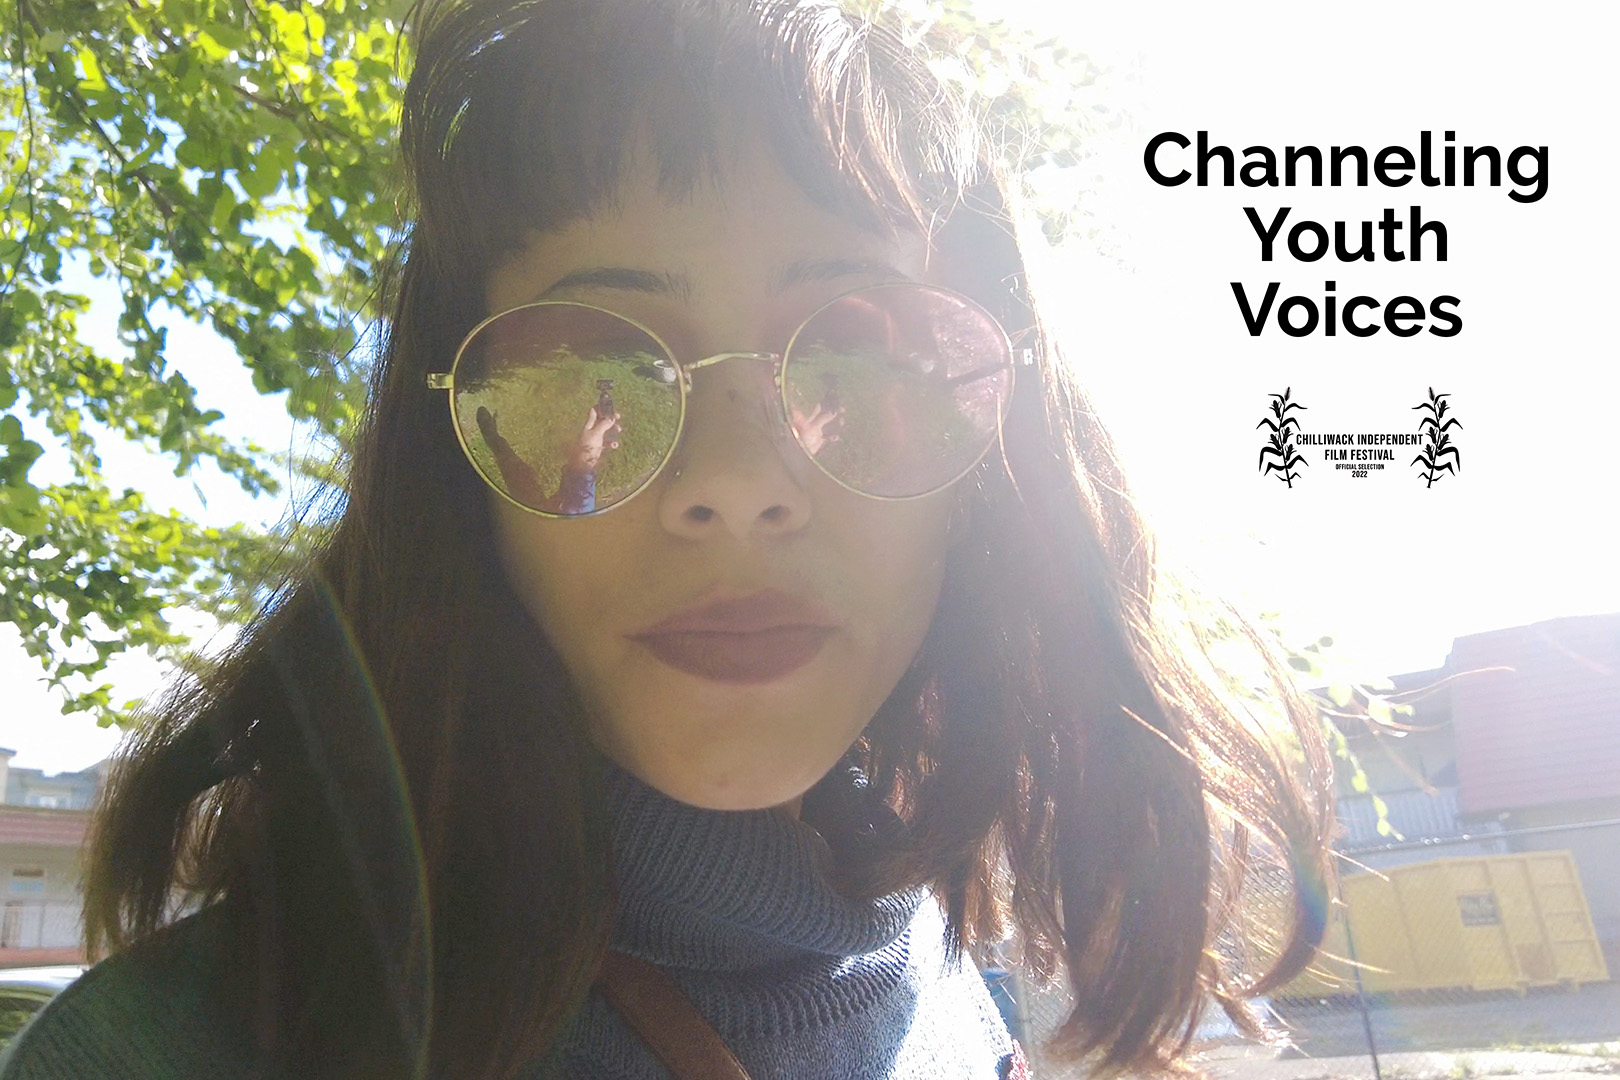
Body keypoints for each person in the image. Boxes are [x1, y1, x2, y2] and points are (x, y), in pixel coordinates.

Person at [0, 0, 1334, 1078]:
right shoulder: (165, 1054)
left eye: (861, 358)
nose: (738, 486)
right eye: (595, 367)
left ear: (998, 456)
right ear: (453, 473)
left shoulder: (958, 994)